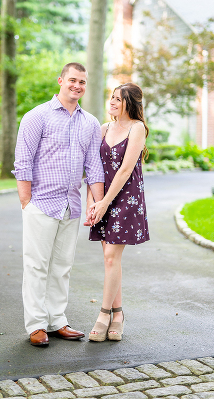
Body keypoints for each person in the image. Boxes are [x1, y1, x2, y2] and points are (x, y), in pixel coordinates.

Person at [13, 62, 105, 347]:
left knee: (62, 266)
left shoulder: (89, 122)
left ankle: (56, 321)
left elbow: (94, 167)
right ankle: (37, 325)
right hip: (41, 202)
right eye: (72, 80)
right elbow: (22, 160)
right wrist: (26, 200)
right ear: (61, 81)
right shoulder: (36, 116)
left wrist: (97, 204)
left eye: (82, 82)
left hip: (71, 205)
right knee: (37, 265)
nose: (77, 86)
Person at [84, 82, 150, 342]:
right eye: (111, 97)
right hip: (101, 198)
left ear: (130, 104)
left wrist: (104, 204)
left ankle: (103, 315)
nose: (112, 102)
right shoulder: (103, 128)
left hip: (126, 198)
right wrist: (92, 201)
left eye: (118, 99)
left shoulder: (137, 128)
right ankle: (119, 314)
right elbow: (93, 168)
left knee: (111, 257)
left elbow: (124, 171)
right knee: (111, 260)